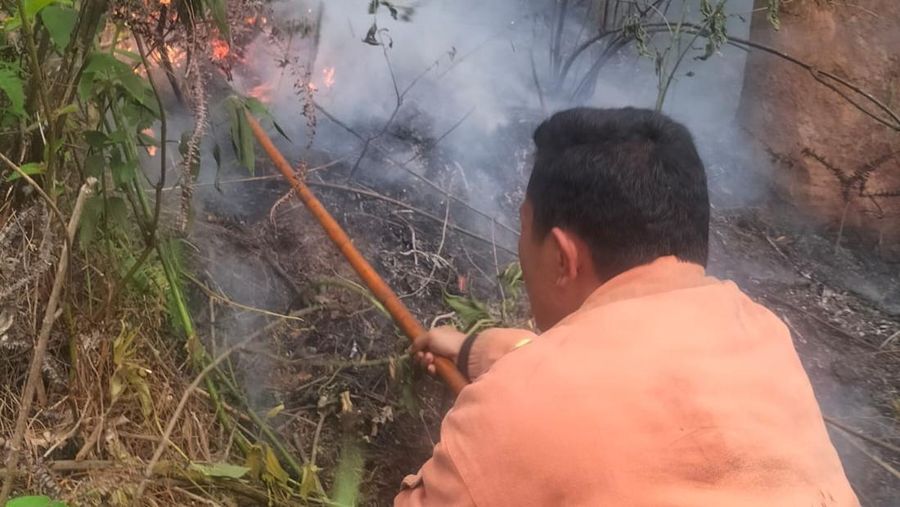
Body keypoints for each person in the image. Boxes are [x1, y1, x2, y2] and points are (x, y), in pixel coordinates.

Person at [394, 107, 858, 506]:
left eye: (522, 227)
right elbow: (611, 378)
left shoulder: (507, 415)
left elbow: (552, 392)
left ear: (562, 258)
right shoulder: (763, 337)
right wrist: (472, 346)